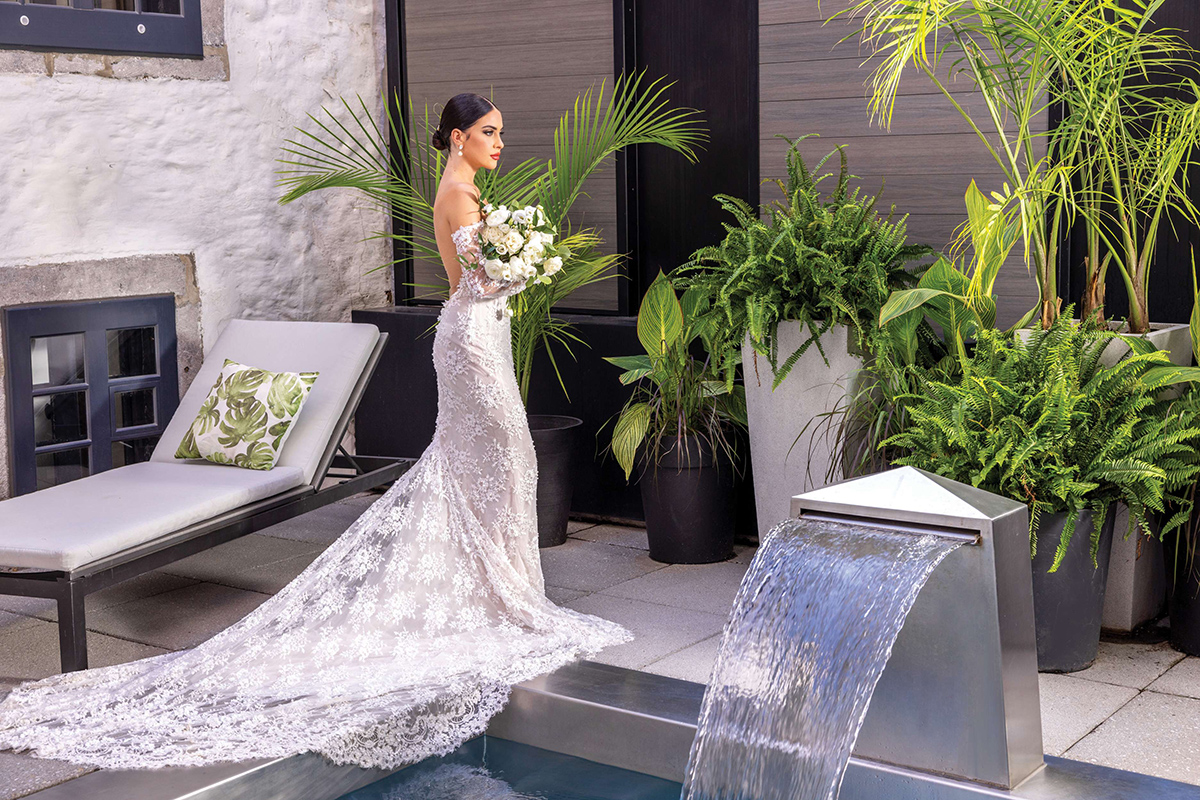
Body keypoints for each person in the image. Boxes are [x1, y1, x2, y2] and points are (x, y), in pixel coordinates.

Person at [0, 92, 631, 771]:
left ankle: (502, 591)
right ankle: (504, 597)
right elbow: (467, 284)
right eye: (487, 132)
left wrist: (518, 265)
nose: (499, 142)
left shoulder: (472, 190)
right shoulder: (456, 190)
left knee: (500, 464)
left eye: (501, 132)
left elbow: (469, 281)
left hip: (481, 335)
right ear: (456, 138)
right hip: (473, 342)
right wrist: (518, 270)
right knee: (503, 457)